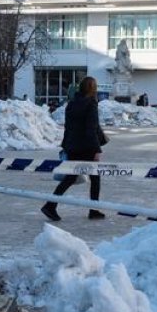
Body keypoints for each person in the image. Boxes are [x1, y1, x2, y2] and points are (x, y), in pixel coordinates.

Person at [41, 76, 108, 221]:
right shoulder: (91, 104)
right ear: (93, 89)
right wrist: (97, 150)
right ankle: (93, 210)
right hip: (87, 147)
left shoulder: (71, 103)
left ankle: (50, 205)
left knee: (70, 177)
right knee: (95, 178)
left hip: (72, 146)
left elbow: (68, 127)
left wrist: (66, 145)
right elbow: (91, 129)